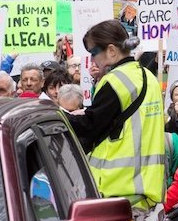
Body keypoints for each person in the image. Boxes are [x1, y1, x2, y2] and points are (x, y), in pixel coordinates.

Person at [66, 20, 165, 208]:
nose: (93, 60)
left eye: (94, 53)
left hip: (117, 190)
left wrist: (60, 115)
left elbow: (90, 126)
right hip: (147, 190)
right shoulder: (147, 76)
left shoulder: (114, 81)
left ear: (111, 51)